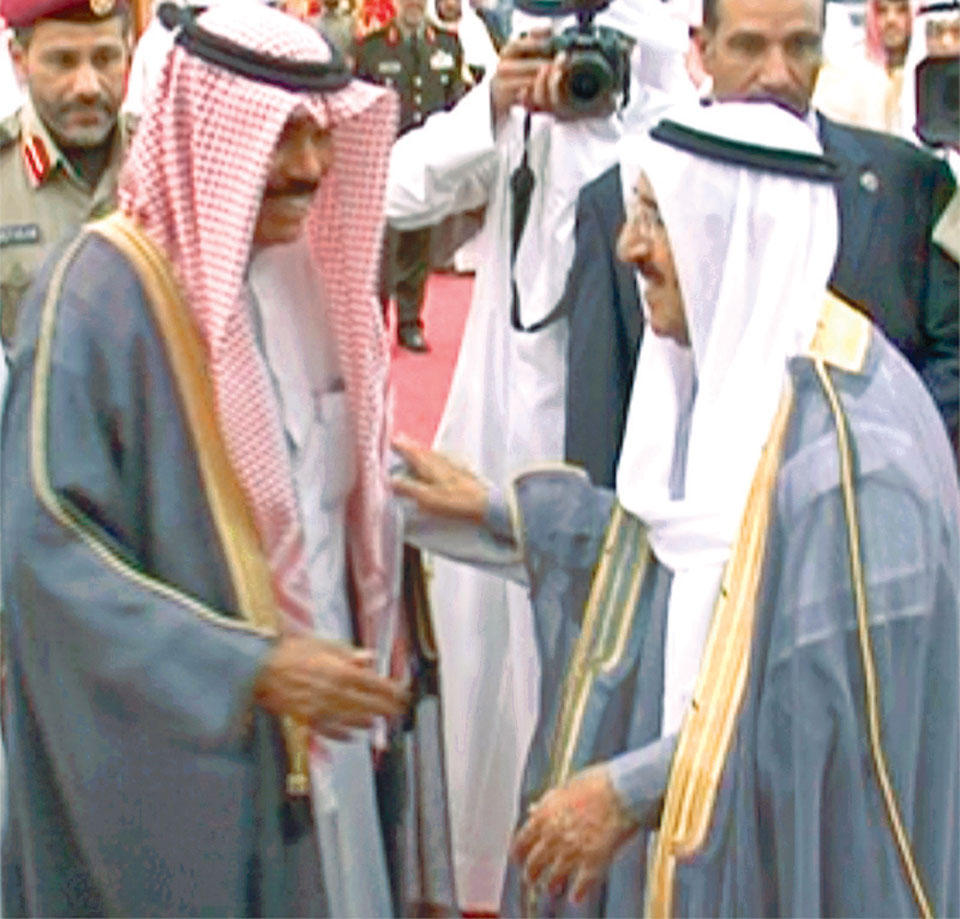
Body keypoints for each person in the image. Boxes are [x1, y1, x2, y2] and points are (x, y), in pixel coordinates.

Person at [394, 99, 960, 917]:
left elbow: (822, 737)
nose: (631, 248)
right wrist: (496, 511)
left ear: (735, 231)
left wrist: (634, 789)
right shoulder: (736, 378)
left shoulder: (858, 458)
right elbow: (674, 561)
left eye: (657, 219)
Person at [0, 3, 413, 915]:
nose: (310, 166)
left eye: (321, 133)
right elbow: (43, 554)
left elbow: (328, 495)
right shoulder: (100, 298)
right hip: (196, 758)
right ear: (211, 129)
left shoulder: (316, 277)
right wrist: (246, 667)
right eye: (280, 136)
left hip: (333, 733)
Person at [385, 1, 689, 906]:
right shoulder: (519, 121)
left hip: (623, 430)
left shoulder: (665, 124)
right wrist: (495, 106)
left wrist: (621, 111)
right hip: (501, 424)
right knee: (495, 663)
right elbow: (400, 189)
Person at [563, 0, 959, 488]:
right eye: (748, 47)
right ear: (703, 50)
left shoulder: (908, 186)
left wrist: (866, 470)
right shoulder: (619, 205)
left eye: (800, 46)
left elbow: (951, 367)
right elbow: (598, 433)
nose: (776, 74)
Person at [0, 0, 135, 351]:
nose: (88, 86)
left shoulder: (165, 163)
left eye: (105, 58)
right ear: (19, 61)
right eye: (63, 61)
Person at [355, 0, 467, 351]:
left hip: (427, 159)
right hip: (385, 160)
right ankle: (375, 322)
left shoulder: (447, 45)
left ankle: (409, 321)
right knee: (381, 249)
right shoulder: (371, 49)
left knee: (418, 244)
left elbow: (454, 102)